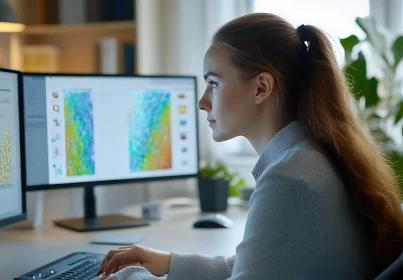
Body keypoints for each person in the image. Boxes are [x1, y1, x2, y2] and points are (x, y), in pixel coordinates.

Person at [97, 13, 403, 280]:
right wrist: (167, 263)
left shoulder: (290, 178)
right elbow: (259, 267)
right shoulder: (308, 157)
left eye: (213, 83)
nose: (202, 102)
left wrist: (130, 277)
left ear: (261, 88)